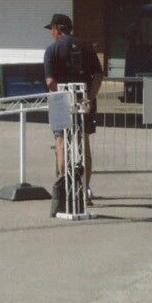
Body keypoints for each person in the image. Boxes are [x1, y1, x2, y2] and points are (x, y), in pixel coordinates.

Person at [43, 13, 102, 212]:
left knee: (61, 143)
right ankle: (84, 190)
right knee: (83, 142)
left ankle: (63, 190)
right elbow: (98, 75)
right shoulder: (87, 47)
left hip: (61, 100)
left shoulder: (52, 49)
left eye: (52, 29)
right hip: (84, 99)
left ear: (58, 29)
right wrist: (90, 97)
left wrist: (60, 95)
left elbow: (50, 81)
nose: (51, 33)